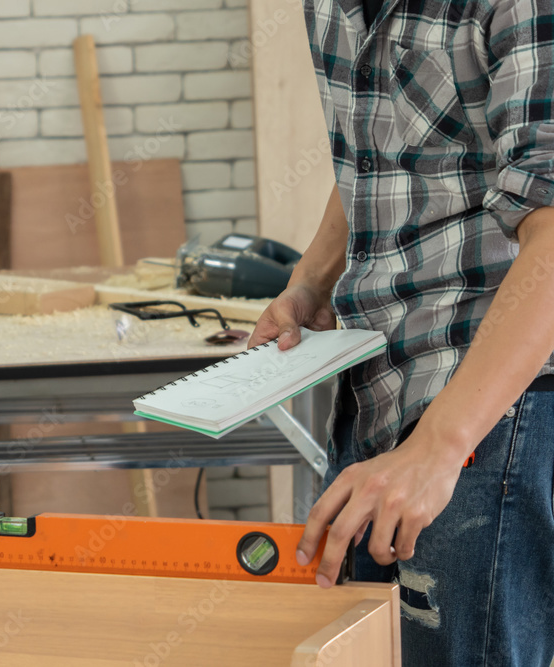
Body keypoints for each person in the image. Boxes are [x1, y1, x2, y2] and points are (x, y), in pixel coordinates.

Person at [247, 1, 554, 665]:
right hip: (378, 387)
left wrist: (441, 448)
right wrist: (310, 282)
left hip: (492, 408)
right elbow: (380, 146)